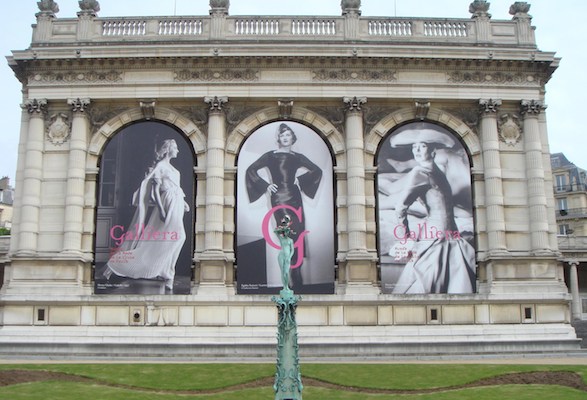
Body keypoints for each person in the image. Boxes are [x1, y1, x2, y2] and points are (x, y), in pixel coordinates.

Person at [379, 127, 475, 294]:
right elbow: (401, 207)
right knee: (428, 283)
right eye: (414, 146)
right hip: (434, 239)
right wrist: (407, 238)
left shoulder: (437, 172)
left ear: (433, 150)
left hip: (451, 236)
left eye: (422, 146)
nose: (416, 150)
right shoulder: (419, 173)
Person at [102, 139, 190, 291]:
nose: (178, 151)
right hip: (167, 204)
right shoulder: (161, 167)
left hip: (177, 203)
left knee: (176, 238)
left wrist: (183, 202)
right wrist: (162, 209)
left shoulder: (172, 168)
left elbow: (177, 188)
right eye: (175, 148)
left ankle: (166, 271)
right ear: (168, 149)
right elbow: (155, 192)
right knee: (174, 237)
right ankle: (117, 264)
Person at [245, 123, 322, 290]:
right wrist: (265, 186)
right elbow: (251, 170)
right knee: (287, 234)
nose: (285, 138)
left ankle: (296, 275)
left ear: (292, 138)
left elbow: (317, 170)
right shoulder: (270, 156)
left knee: (298, 233)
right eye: (282, 135)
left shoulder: (297, 157)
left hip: (295, 197)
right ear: (278, 138)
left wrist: (300, 181)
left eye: (288, 135)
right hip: (279, 197)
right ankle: (291, 278)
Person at [274, 215, 295, 292]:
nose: (286, 233)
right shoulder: (281, 238)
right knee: (282, 272)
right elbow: (275, 231)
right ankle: (285, 287)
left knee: (286, 272)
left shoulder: (290, 240)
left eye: (287, 232)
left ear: (288, 232)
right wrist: (283, 227)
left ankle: (287, 286)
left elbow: (292, 250)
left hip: (287, 256)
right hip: (281, 256)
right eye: (285, 232)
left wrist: (289, 257)